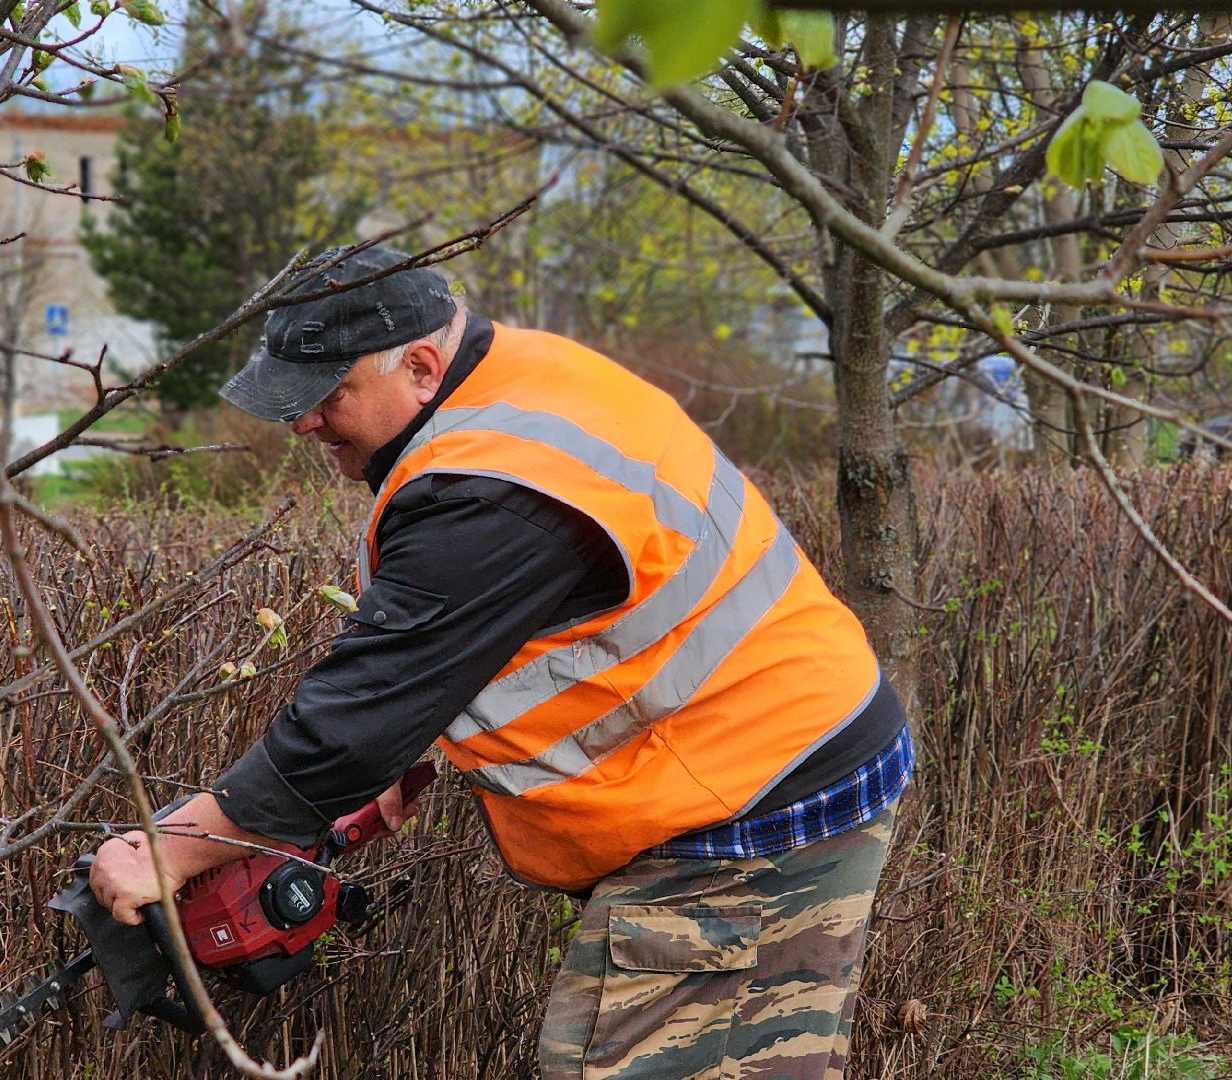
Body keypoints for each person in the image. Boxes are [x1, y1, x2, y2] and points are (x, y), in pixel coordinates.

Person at [89, 245, 913, 1079]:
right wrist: (406, 753)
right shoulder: (517, 382)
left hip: (748, 803)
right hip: (789, 746)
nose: (303, 424)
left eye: (328, 397)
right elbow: (527, 628)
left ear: (419, 366)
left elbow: (348, 729)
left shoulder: (487, 488)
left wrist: (173, 848)